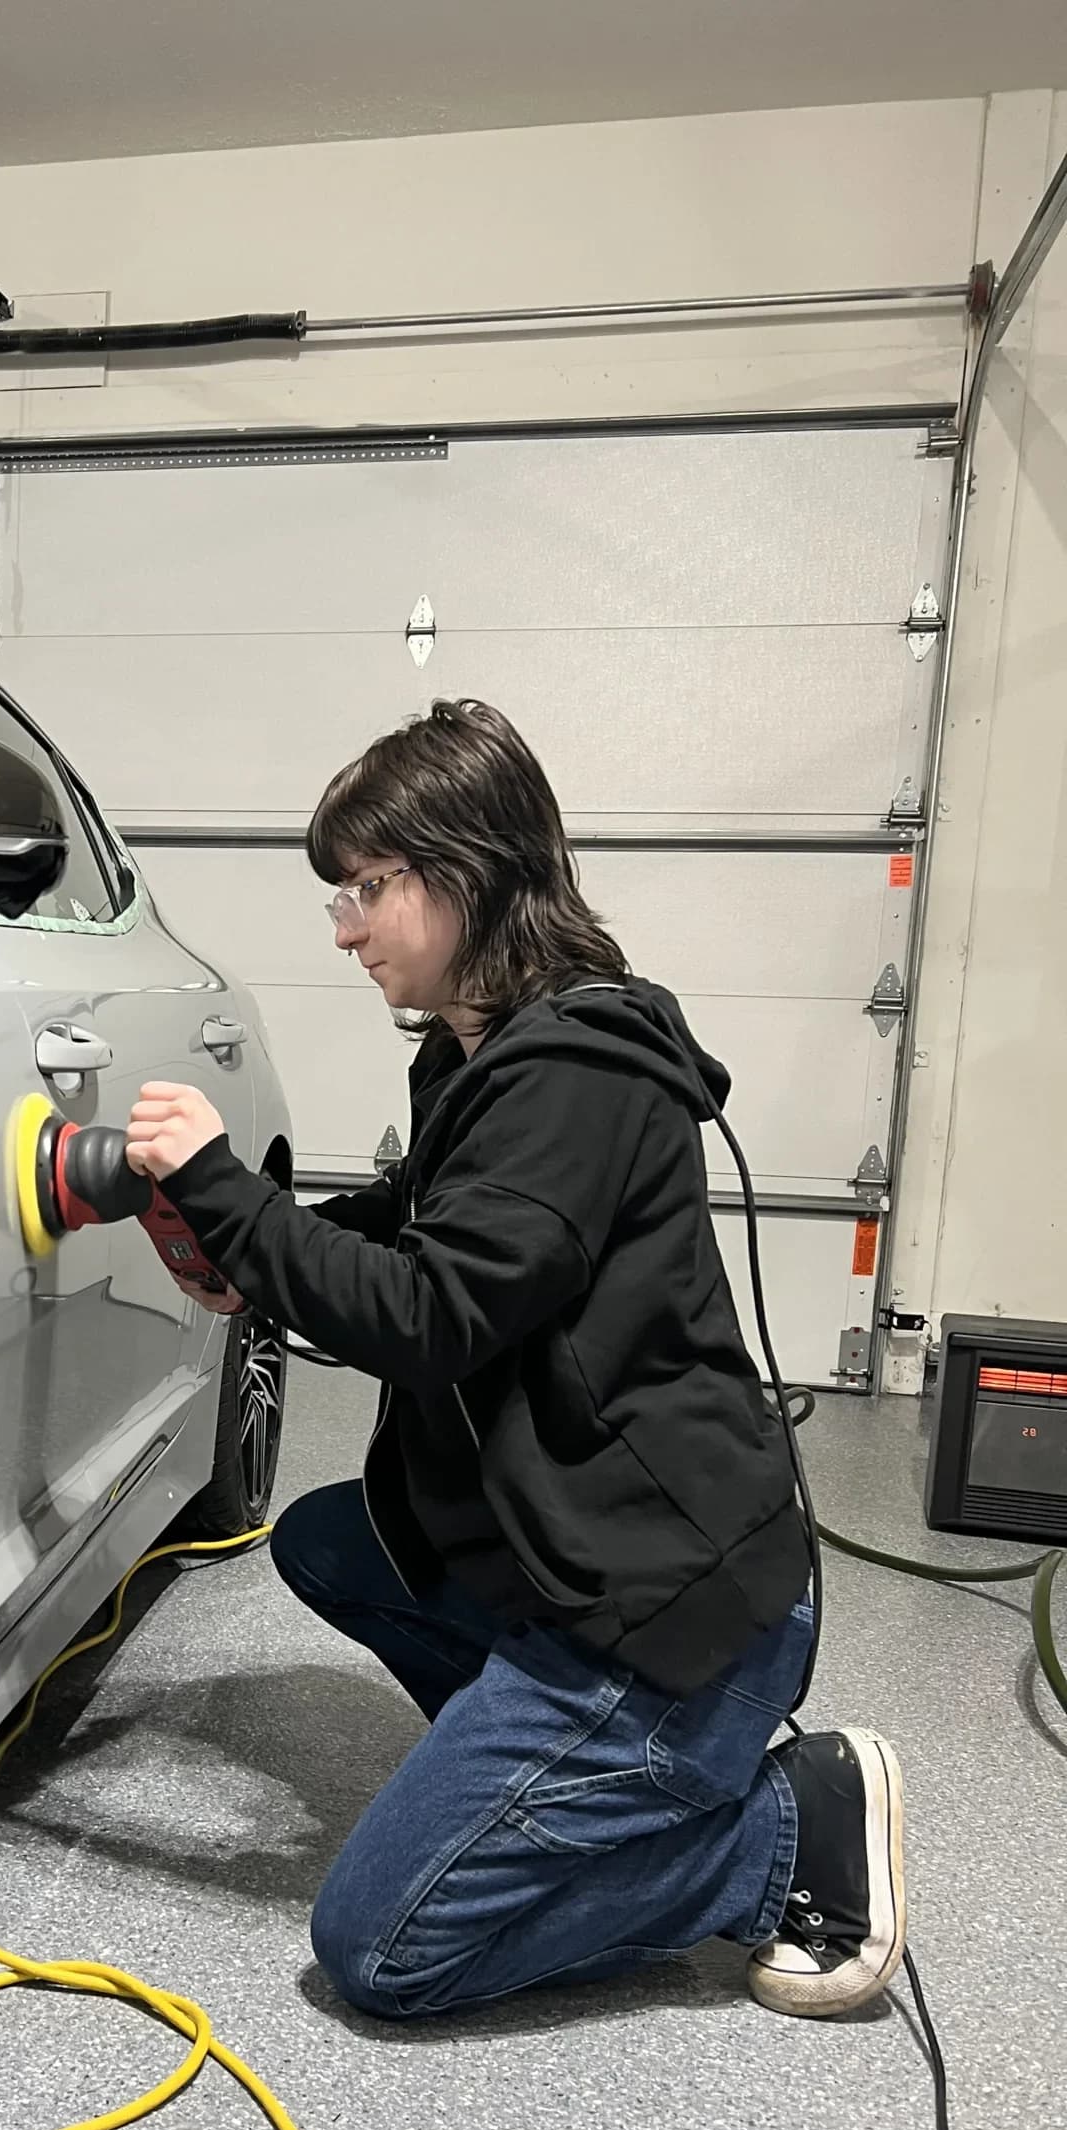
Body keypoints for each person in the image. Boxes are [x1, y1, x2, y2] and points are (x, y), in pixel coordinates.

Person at [123, 699, 906, 2023]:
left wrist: (218, 1181)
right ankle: (551, 1795)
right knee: (335, 1539)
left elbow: (433, 1313)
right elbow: (434, 1231)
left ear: (467, 874)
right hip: (588, 1571)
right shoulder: (474, 1056)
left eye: (367, 888)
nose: (345, 926)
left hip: (664, 1616)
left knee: (380, 1948)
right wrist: (247, 1238)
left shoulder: (571, 1079)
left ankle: (783, 1831)